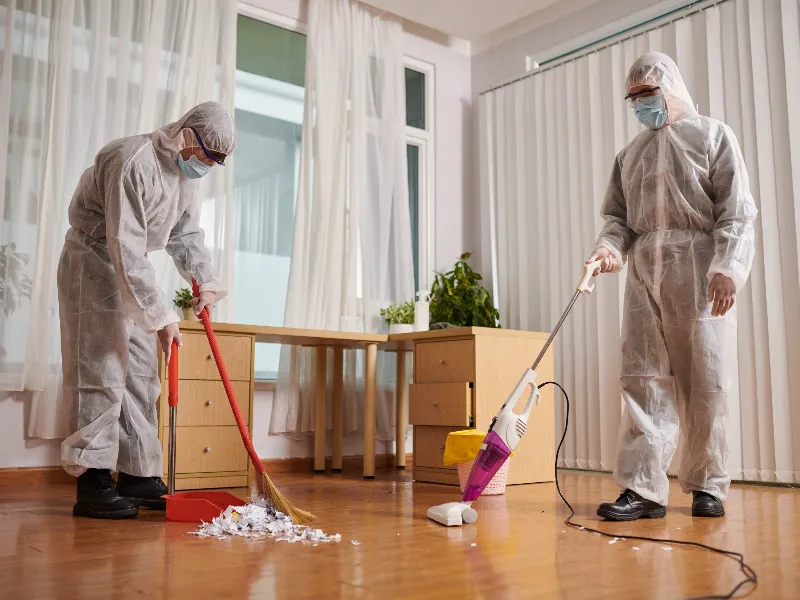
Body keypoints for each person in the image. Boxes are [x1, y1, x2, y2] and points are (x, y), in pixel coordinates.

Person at [587, 52, 757, 521]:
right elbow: (618, 220)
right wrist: (608, 249)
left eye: (649, 93)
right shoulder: (630, 156)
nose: (642, 103)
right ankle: (642, 489)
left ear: (672, 89)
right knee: (643, 379)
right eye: (635, 96)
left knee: (706, 380)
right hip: (644, 275)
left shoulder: (713, 136)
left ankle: (709, 485)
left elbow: (736, 210)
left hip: (699, 270)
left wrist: (728, 267)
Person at [58, 101, 235, 519]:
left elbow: (184, 232)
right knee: (100, 369)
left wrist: (204, 278)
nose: (205, 167)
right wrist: (162, 314)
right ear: (187, 135)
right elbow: (125, 245)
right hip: (95, 259)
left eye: (215, 162)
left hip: (130, 266)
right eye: (206, 157)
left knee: (140, 372)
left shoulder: (183, 175)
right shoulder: (130, 161)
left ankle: (137, 474)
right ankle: (93, 480)